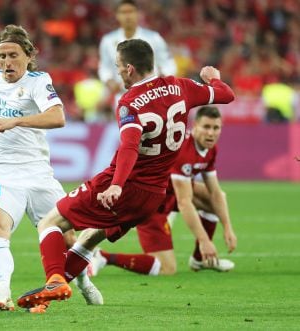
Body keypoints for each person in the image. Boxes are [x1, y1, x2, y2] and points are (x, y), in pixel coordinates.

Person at [16, 38, 235, 312]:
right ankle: (47, 301)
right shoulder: (181, 87)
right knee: (91, 238)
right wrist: (213, 78)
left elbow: (130, 145)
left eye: (118, 66)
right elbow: (226, 95)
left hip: (125, 185)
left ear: (130, 68)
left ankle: (53, 281)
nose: (117, 71)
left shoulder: (130, 102)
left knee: (49, 222)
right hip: (151, 198)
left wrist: (116, 185)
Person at [0, 25, 102, 312]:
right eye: (2, 56)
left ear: (29, 56)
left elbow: (58, 117)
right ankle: (2, 292)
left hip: (37, 173)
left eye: (13, 55)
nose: (7, 62)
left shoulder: (38, 82)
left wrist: (17, 121)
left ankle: (82, 280)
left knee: (69, 237)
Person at [89, 106, 238, 277]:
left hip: (168, 194)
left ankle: (199, 259)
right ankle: (103, 256)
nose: (211, 133)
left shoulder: (210, 149)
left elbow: (215, 192)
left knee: (214, 199)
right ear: (195, 125)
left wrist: (227, 227)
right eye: (206, 127)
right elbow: (184, 202)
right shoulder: (183, 150)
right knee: (167, 268)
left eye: (215, 128)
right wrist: (205, 241)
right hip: (149, 202)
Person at [98, 0, 176, 109]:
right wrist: (108, 81)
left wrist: (163, 78)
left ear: (138, 14)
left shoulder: (154, 38)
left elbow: (168, 64)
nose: (127, 16)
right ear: (117, 16)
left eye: (131, 11)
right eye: (123, 12)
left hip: (152, 94)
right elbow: (104, 68)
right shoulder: (108, 41)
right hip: (123, 95)